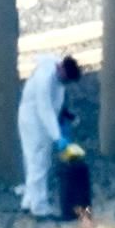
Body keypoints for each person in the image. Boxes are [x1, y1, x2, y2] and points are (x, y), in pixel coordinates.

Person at [17, 54, 81, 218]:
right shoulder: (45, 78)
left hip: (41, 120)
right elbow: (44, 109)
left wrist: (64, 115)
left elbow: (57, 101)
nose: (65, 83)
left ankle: (29, 201)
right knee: (38, 161)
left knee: (34, 160)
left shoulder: (58, 77)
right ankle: (39, 208)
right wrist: (57, 136)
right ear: (61, 68)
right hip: (33, 120)